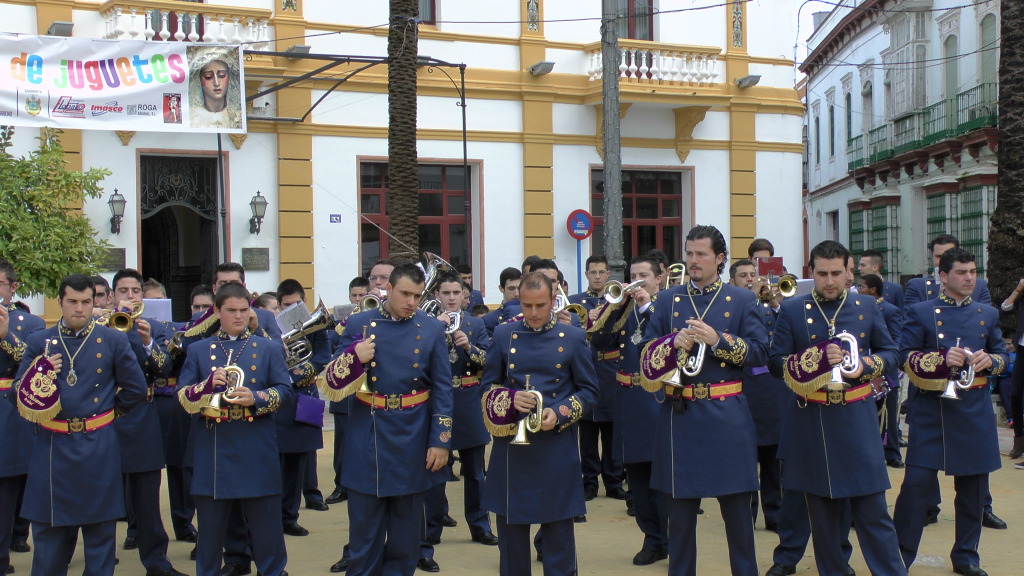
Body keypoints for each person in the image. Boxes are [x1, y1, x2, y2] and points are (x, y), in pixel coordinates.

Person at [769, 240, 906, 576]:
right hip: (810, 417)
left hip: (856, 417)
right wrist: (812, 360)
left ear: (849, 271)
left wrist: (864, 366)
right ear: (811, 273)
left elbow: (892, 355)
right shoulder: (791, 309)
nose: (829, 281)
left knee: (873, 509)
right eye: (821, 274)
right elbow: (775, 362)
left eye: (836, 273)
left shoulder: (868, 307)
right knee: (822, 514)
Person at [637, 225, 766, 576]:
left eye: (701, 254)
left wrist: (719, 340)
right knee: (679, 521)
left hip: (728, 419)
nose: (693, 261)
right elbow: (644, 355)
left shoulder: (741, 299)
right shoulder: (667, 300)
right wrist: (669, 345)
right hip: (681, 417)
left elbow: (760, 353)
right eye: (689, 254)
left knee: (739, 519)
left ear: (719, 258)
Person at [319, 263, 453, 576]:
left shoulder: (431, 328)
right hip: (369, 432)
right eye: (405, 293)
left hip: (414, 434)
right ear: (387, 289)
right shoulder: (359, 322)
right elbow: (329, 382)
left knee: (406, 540)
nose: (411, 302)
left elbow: (443, 391)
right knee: (364, 536)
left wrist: (440, 441)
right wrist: (355, 357)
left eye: (417, 296)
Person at [14, 274, 148, 576]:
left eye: (86, 302)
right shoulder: (39, 341)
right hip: (52, 446)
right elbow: (16, 396)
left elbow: (136, 389)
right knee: (48, 540)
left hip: (97, 446)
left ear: (96, 302)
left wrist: (106, 416)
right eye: (72, 301)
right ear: (60, 301)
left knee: (100, 538)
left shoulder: (113, 338)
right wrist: (40, 375)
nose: (79, 308)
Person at [893, 248, 1008, 576]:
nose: (969, 277)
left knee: (973, 489)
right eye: (961, 272)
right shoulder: (921, 312)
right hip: (933, 409)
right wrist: (939, 360)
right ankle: (900, 555)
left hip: (974, 409)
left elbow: (1002, 353)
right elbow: (904, 355)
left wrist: (993, 361)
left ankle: (966, 556)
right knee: (916, 486)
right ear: (943, 276)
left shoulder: (988, 313)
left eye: (972, 271)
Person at [480, 271, 598, 576]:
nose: (532, 313)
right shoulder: (504, 335)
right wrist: (508, 399)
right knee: (512, 544)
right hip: (512, 451)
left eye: (540, 306)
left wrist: (559, 413)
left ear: (554, 301)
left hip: (556, 448)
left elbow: (589, 392)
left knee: (559, 539)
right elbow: (487, 386)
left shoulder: (573, 337)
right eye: (526, 305)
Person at [177, 281, 294, 576]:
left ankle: (272, 571)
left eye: (244, 310)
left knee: (267, 530)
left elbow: (286, 391)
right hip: (213, 448)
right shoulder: (199, 350)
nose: (239, 316)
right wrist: (206, 386)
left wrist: (256, 397)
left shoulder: (267, 348)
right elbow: (182, 396)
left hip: (256, 445)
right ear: (217, 311)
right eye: (231, 310)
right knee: (210, 534)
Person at [588, 255, 668, 565]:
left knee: (659, 477)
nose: (636, 281)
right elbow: (599, 342)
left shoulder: (664, 307)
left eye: (644, 275)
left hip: (656, 399)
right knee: (635, 476)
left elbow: (663, 339)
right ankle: (652, 538)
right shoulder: (623, 310)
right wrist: (609, 311)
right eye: (633, 275)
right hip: (627, 399)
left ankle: (669, 537)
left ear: (659, 278)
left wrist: (646, 305)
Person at [109, 269, 184, 576]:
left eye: (135, 291)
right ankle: (96, 559)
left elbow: (166, 368)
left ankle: (156, 562)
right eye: (123, 291)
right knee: (97, 493)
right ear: (113, 295)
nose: (130, 296)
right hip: (108, 418)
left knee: (148, 497)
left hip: (142, 417)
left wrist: (148, 342)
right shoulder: (100, 325)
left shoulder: (156, 327)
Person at [728, 259, 787, 533]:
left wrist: (775, 303)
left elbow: (787, 334)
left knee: (773, 456)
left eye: (753, 275)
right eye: (743, 276)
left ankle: (775, 513)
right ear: (733, 282)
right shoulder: (731, 308)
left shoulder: (773, 308)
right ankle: (746, 515)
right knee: (745, 458)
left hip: (773, 390)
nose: (750, 280)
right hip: (746, 388)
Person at [275, 279, 332, 537]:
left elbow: (322, 357)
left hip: (304, 396)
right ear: (278, 306)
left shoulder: (315, 327)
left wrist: (295, 375)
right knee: (274, 462)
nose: (292, 309)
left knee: (299, 460)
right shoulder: (271, 328)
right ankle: (272, 515)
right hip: (278, 402)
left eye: (297, 304)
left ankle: (290, 516)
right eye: (287, 305)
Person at [0, 258, 45, 574]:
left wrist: (5, 334)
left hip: (9, 412)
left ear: (12, 288)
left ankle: (9, 544)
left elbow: (32, 366)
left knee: (10, 486)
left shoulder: (28, 323)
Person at [571, 255, 627, 502]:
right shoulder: (575, 303)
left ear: (608, 275)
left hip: (611, 368)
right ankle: (589, 481)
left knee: (612, 429)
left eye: (601, 272)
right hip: (586, 368)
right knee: (588, 430)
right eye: (592, 272)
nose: (597, 276)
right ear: (586, 274)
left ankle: (614, 481)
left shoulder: (617, 300)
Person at [857, 273, 905, 469]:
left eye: (861, 287)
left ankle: (892, 453)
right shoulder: (857, 308)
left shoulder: (890, 310)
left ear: (872, 290)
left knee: (888, 414)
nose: (858, 290)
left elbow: (896, 340)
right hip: (862, 370)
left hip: (883, 370)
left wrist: (881, 362)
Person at [905, 234, 991, 306]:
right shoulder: (917, 286)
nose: (943, 260)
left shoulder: (979, 285)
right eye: (939, 256)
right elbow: (912, 318)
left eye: (948, 255)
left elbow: (985, 318)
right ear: (932, 257)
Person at [188, 47, 243, 129]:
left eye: (221, 76)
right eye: (208, 77)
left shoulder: (237, 117)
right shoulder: (191, 117)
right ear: (199, 80)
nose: (216, 83)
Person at [1002, 278, 1024, 460]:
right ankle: (1019, 439)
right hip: (1022, 350)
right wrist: (1018, 288)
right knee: (1015, 393)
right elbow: (1006, 307)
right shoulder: (1022, 295)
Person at [483, 267, 523, 338]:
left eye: (519, 288)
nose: (516, 294)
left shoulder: (530, 313)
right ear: (501, 288)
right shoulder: (489, 320)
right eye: (511, 289)